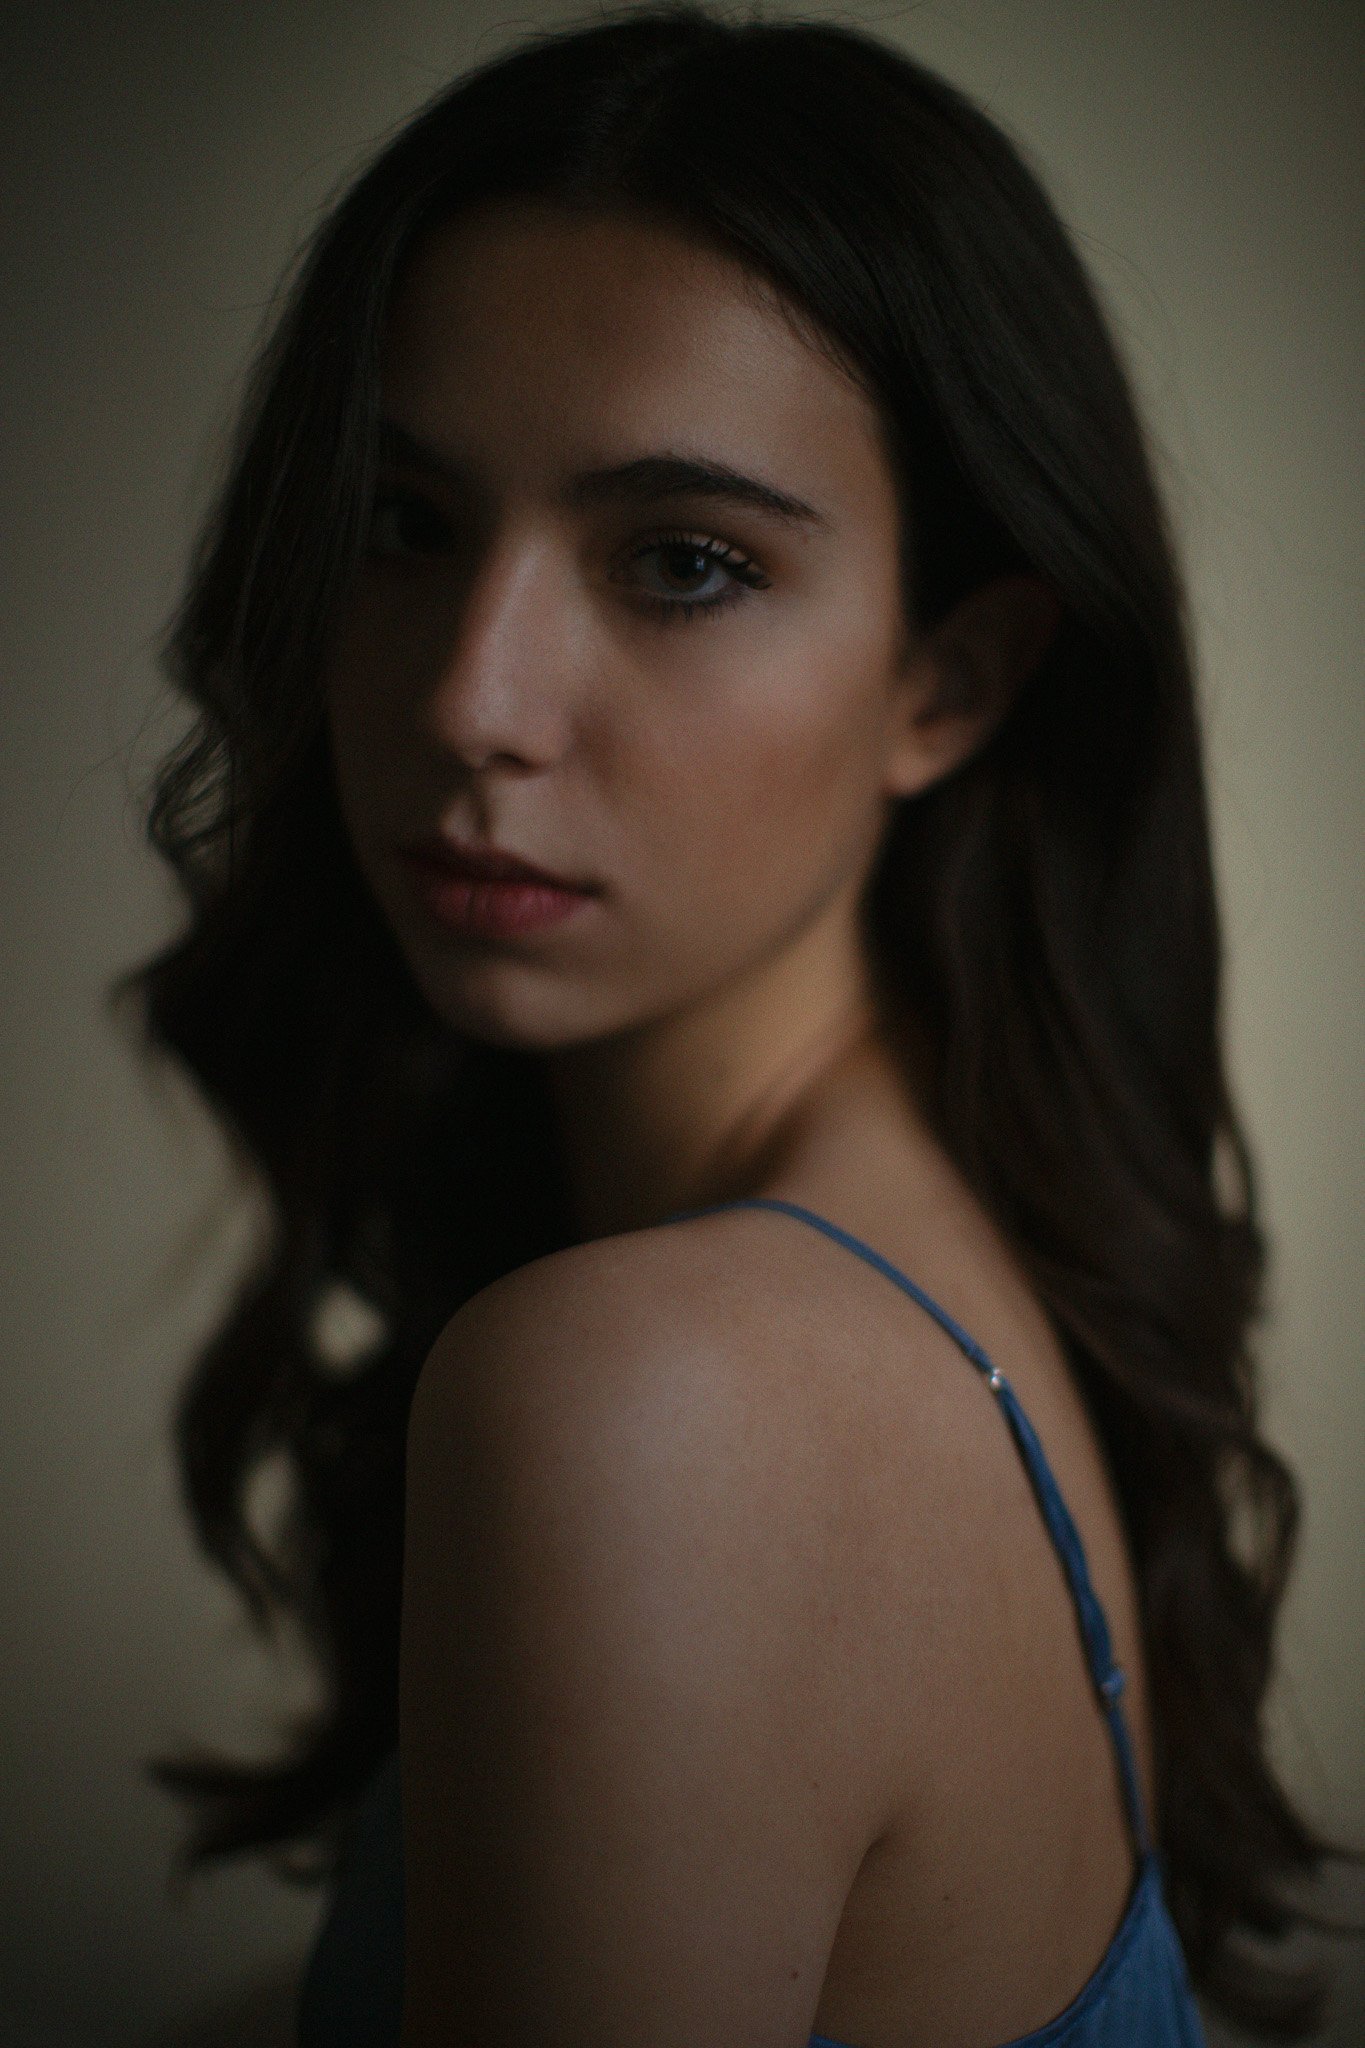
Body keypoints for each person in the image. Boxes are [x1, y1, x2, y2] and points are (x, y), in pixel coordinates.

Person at [117, 4, 1345, 2042]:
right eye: (402, 521)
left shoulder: (658, 1408)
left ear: (942, 683)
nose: (468, 699)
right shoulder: (916, 1282)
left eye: (678, 561)